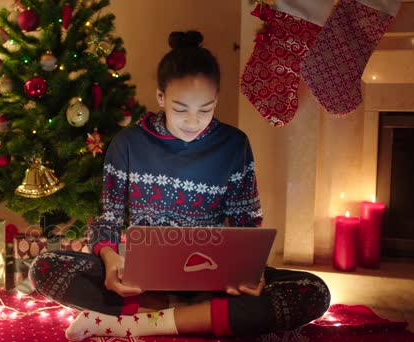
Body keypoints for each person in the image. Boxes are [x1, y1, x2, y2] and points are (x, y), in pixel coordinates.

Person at [29, 31, 330, 341]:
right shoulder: (127, 144)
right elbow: (108, 218)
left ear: (217, 99)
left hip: (215, 279)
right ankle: (192, 314)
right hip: (143, 281)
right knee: (45, 267)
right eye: (181, 109)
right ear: (161, 98)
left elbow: (245, 220)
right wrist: (110, 260)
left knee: (314, 292)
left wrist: (251, 271)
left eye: (205, 108)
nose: (193, 121)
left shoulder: (234, 144)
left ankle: (139, 321)